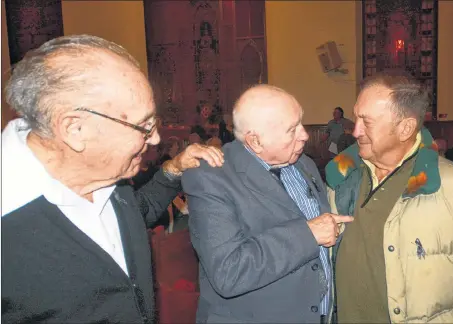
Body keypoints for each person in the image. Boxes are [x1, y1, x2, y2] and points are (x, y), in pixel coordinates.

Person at [1, 35, 224, 324]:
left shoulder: (104, 178)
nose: (155, 138)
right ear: (74, 129)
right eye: (142, 126)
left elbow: (133, 215)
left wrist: (174, 169)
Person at [182, 84, 353, 323]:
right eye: (292, 130)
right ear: (255, 141)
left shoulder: (304, 164)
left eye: (301, 124)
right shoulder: (211, 176)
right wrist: (308, 234)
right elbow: (229, 271)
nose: (304, 135)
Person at [325, 74, 453, 323]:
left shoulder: (452, 187)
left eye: (367, 122)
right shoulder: (341, 177)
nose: (355, 131)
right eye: (356, 118)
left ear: (405, 128)